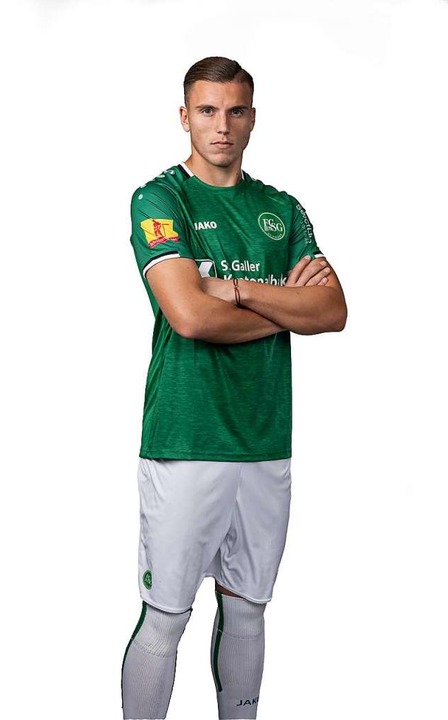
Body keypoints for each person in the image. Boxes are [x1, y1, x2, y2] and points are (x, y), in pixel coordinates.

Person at [121, 56, 347, 720]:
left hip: (265, 440)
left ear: (252, 119)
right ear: (184, 117)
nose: (222, 125)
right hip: (186, 438)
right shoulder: (161, 199)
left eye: (236, 111)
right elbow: (189, 316)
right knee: (167, 616)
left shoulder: (282, 209)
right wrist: (285, 308)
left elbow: (332, 311)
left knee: (249, 608)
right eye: (208, 110)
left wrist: (238, 289)